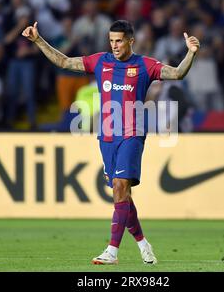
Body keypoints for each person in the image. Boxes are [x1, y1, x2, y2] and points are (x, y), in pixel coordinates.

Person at [22, 19, 200, 265]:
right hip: (106, 136)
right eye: (112, 41)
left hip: (132, 133)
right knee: (122, 195)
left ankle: (112, 251)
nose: (115, 46)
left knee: (119, 187)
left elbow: (178, 73)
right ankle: (143, 244)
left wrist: (190, 53)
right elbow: (64, 61)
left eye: (119, 41)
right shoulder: (100, 61)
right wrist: (38, 40)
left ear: (130, 41)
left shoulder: (145, 66)